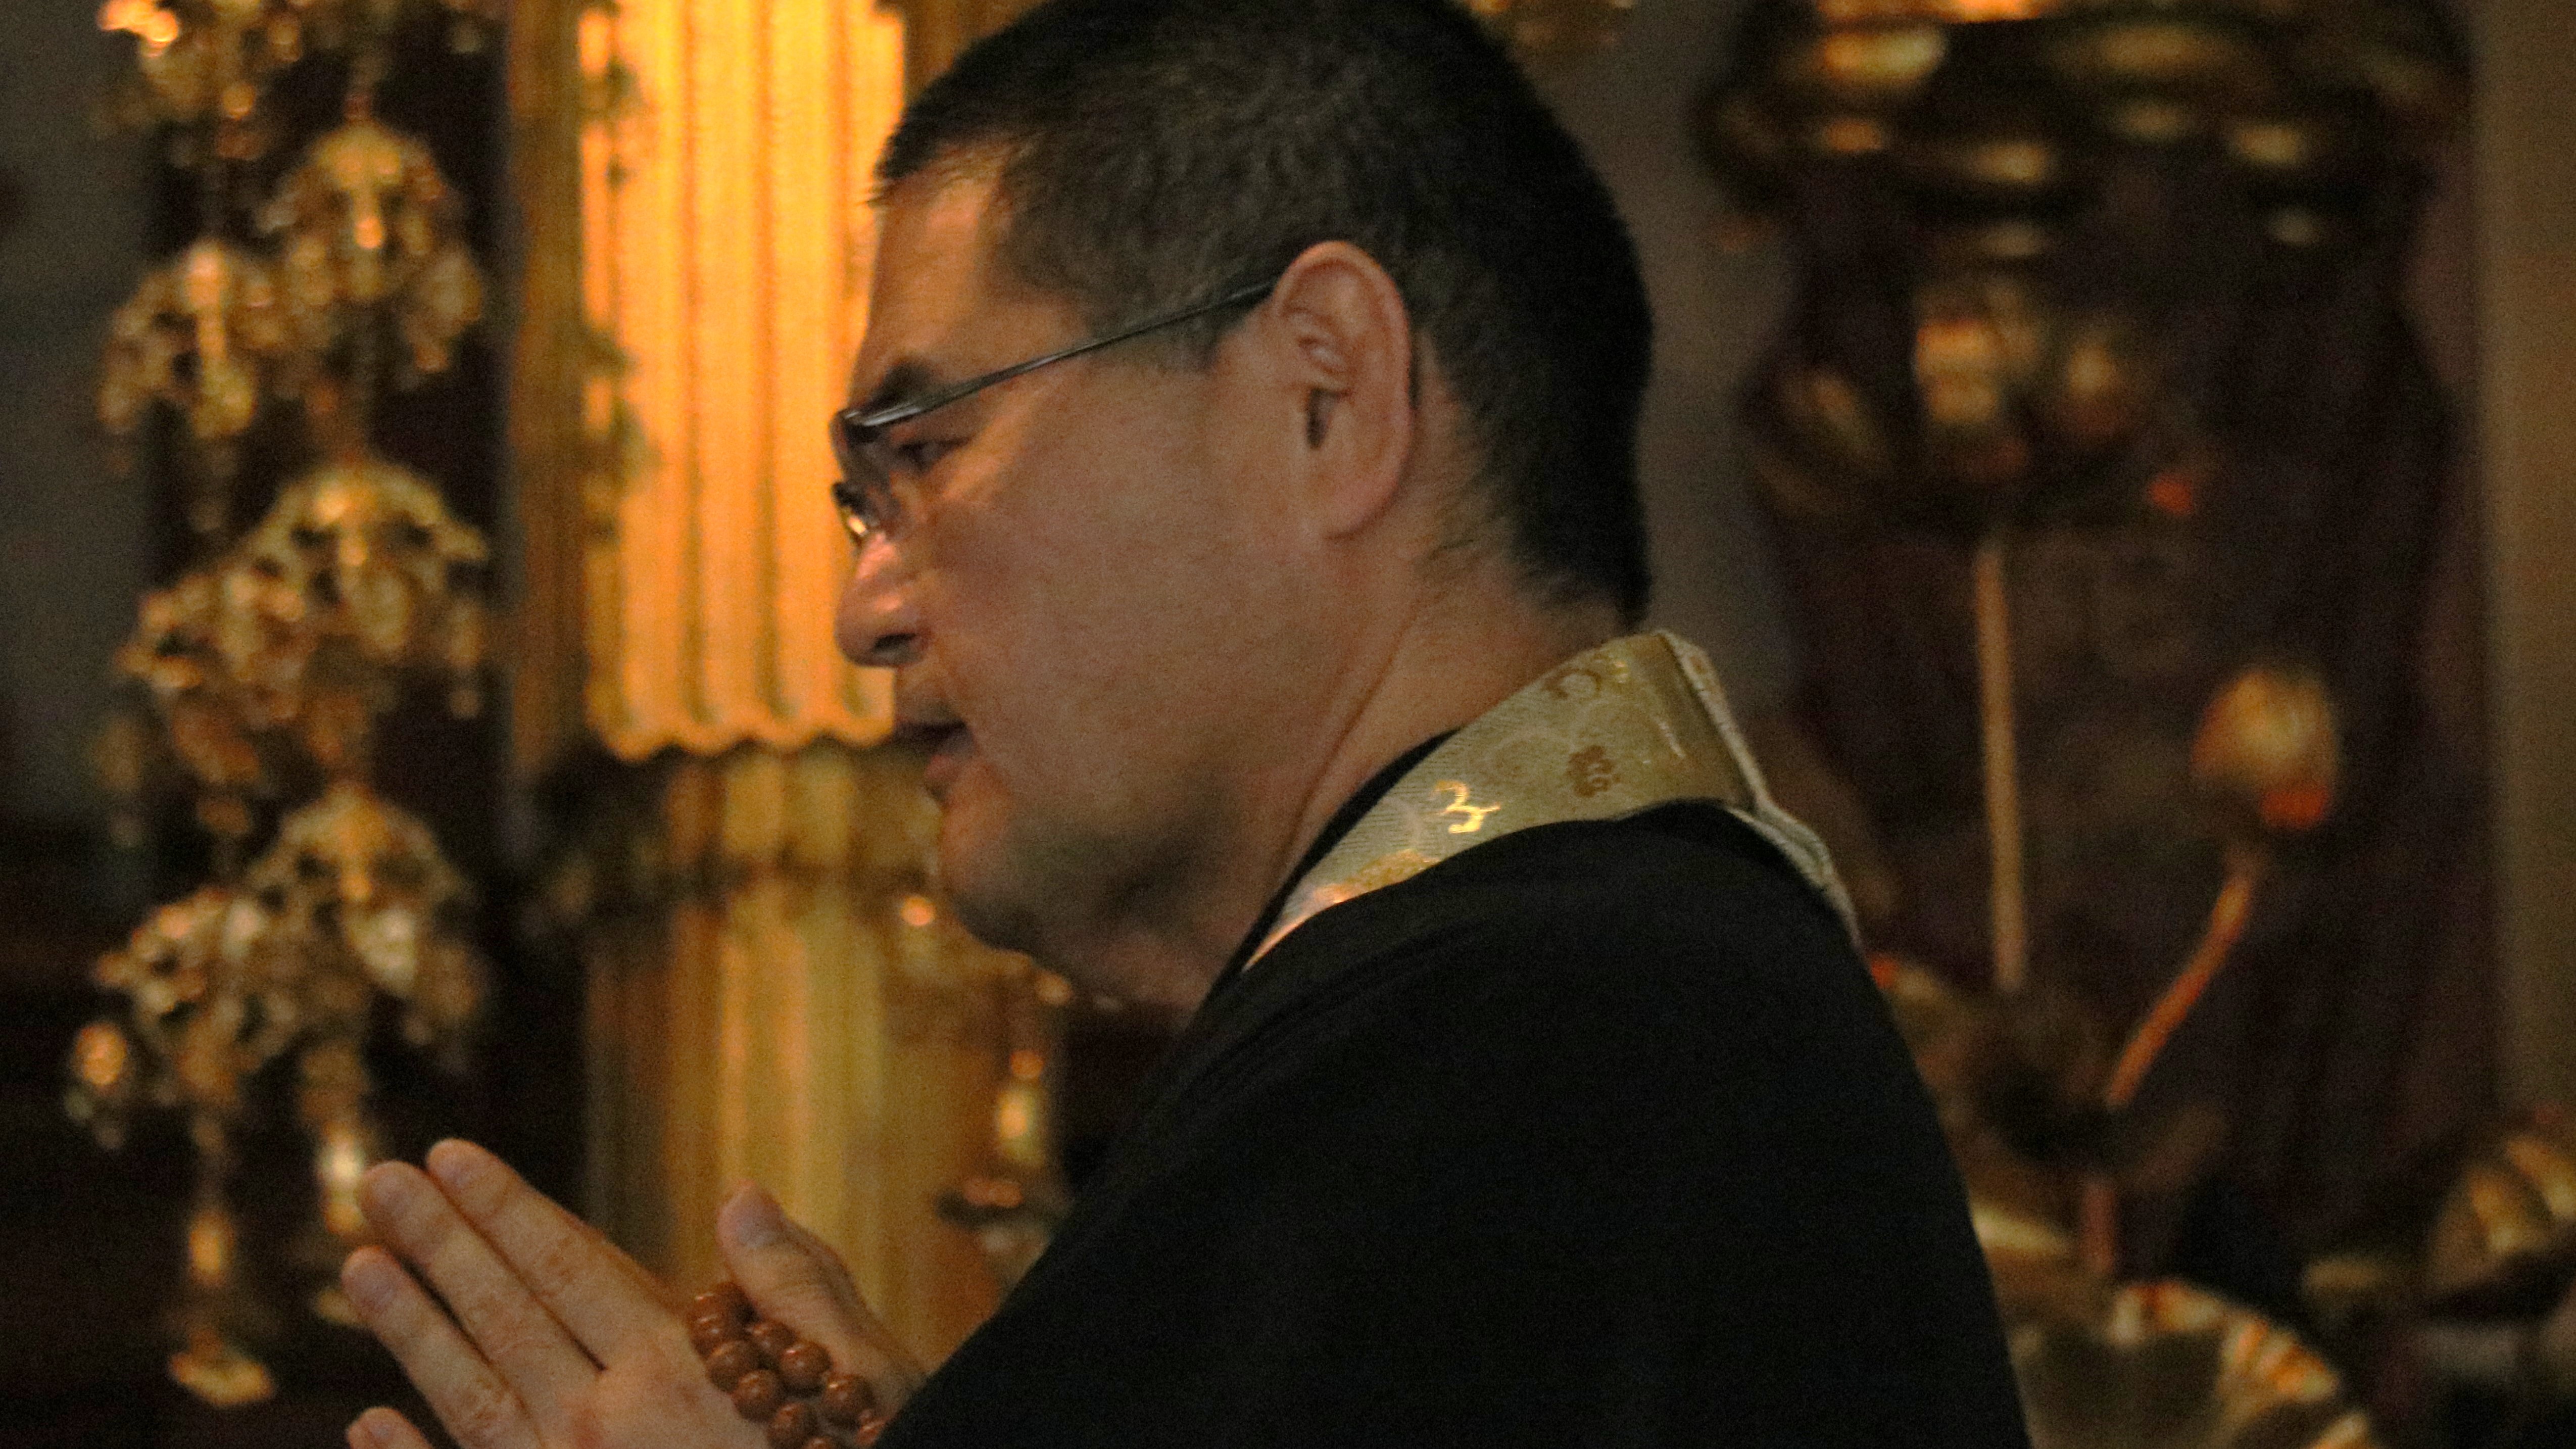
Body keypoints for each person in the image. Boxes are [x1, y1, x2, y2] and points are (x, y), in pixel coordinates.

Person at [338, 2, 2031, 1445]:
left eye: (922, 453)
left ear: (1323, 394)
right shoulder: (1572, 1007)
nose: (866, 613)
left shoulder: (1513, 1047)